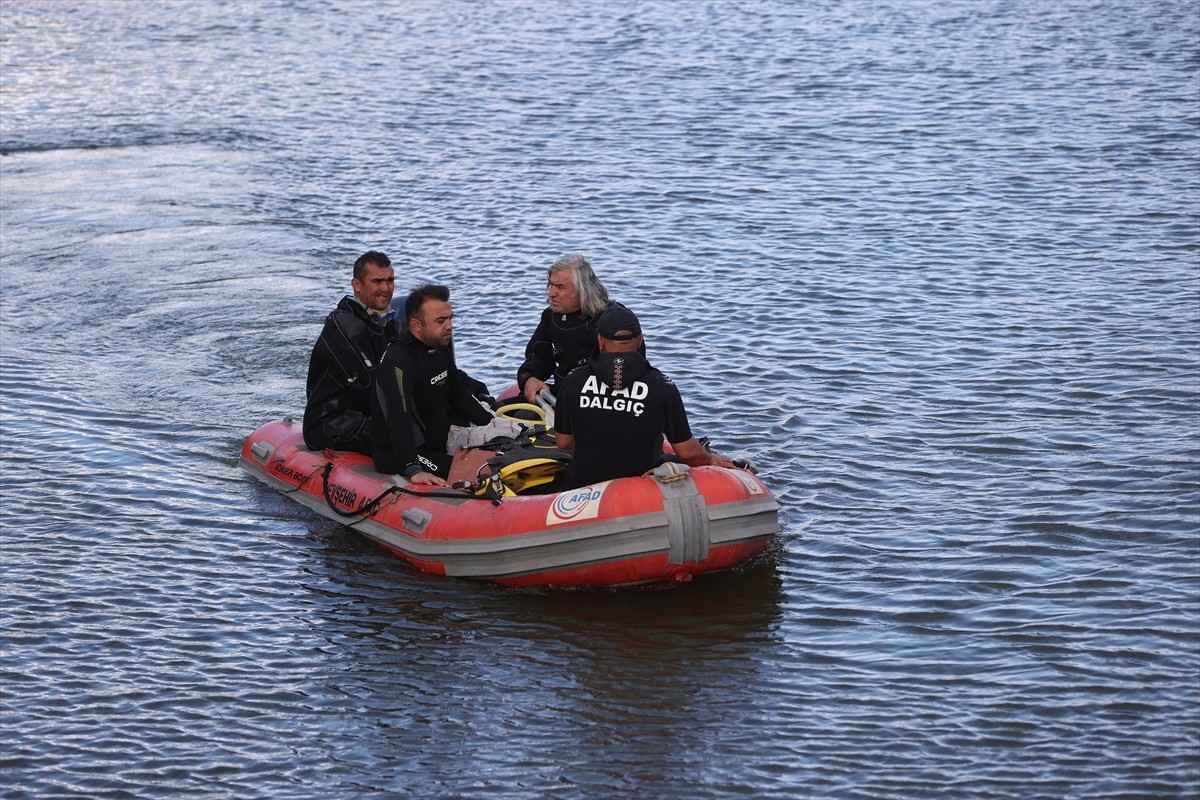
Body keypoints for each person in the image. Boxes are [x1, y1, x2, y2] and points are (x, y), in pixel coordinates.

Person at [553, 306, 735, 490]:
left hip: (582, 483)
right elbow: (687, 452)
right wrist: (712, 459)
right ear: (640, 340)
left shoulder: (573, 380)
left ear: (600, 341)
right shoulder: (662, 384)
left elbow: (564, 442)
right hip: (642, 484)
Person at [372, 284, 495, 486]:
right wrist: (413, 469)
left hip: (438, 443)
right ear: (416, 325)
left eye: (450, 318)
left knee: (504, 455)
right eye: (440, 320)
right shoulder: (399, 362)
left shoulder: (439, 348)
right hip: (401, 453)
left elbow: (459, 396)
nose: (449, 326)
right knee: (479, 474)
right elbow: (397, 419)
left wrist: (491, 423)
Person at [303, 250, 399, 454]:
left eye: (390, 280)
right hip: (330, 423)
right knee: (407, 432)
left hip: (368, 416)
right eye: (377, 281)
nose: (385, 288)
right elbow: (369, 386)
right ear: (356, 285)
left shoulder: (388, 321)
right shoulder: (343, 325)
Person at [516, 253, 631, 403]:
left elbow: (625, 370)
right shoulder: (550, 316)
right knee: (499, 409)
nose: (551, 293)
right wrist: (529, 378)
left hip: (600, 399)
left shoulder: (612, 319)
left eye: (560, 287)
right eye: (551, 285)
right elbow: (538, 356)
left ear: (583, 290)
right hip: (562, 393)